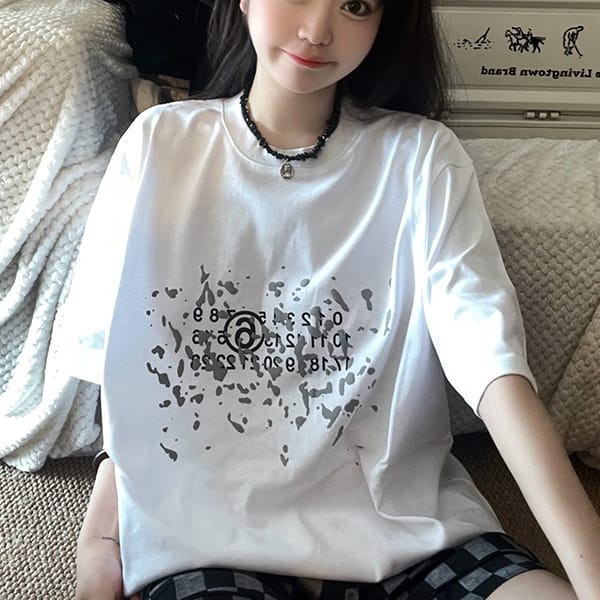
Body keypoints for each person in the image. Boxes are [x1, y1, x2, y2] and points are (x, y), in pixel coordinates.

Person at [68, 0, 600, 599]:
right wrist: (101, 543)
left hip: (413, 540)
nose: (316, 31)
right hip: (211, 550)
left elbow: (492, 367)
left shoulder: (422, 158)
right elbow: (124, 372)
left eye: (356, 5)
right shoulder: (159, 145)